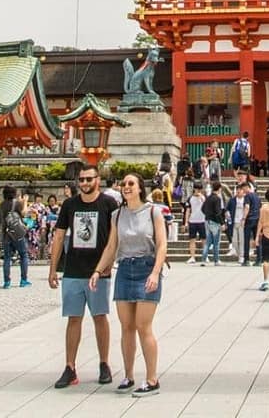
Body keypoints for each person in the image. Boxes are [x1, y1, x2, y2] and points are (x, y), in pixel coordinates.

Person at [92, 173, 167, 396]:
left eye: (131, 183)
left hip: (146, 268)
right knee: (126, 327)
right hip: (124, 268)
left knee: (144, 327)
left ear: (140, 188)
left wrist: (155, 273)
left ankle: (152, 379)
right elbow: (111, 246)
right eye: (124, 184)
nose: (126, 187)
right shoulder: (117, 215)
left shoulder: (154, 212)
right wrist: (98, 270)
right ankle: (128, 376)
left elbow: (162, 246)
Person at [47, 163, 116, 389]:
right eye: (82, 180)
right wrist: (53, 268)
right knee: (73, 318)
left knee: (100, 316)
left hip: (99, 271)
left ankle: (104, 363)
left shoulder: (108, 204)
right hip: (73, 270)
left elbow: (115, 238)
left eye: (89, 179)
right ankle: (70, 367)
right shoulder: (69, 205)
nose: (85, 183)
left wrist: (109, 263)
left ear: (98, 180)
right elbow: (58, 237)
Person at [0, 186, 31, 287]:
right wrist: (25, 202)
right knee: (23, 255)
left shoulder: (2, 204)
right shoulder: (16, 203)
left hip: (6, 233)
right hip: (18, 234)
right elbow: (24, 213)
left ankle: (7, 282)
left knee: (7, 258)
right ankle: (23, 280)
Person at [199, 183, 224, 266]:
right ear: (219, 189)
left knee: (208, 242)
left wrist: (207, 214)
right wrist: (222, 223)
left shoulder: (208, 197)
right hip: (215, 222)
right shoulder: (217, 199)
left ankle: (203, 259)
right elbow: (218, 212)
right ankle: (216, 260)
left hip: (207, 220)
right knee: (216, 242)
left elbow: (202, 208)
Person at [239, 181, 260, 267]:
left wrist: (243, 218)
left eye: (243, 188)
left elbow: (247, 207)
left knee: (246, 240)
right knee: (257, 239)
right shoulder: (257, 196)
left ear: (247, 187)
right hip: (257, 219)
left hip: (249, 219)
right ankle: (259, 259)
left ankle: (246, 259)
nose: (242, 190)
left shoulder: (247, 196)